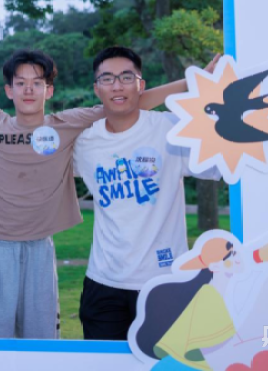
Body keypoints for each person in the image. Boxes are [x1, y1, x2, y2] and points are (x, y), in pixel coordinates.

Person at [0, 47, 203, 339]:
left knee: (41, 342)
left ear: (49, 90)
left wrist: (192, 81)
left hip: (40, 247)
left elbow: (129, 102)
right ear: (8, 90)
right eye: (20, 83)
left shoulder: (67, 124)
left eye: (37, 83)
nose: (29, 90)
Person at [72, 46, 222, 341]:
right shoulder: (84, 143)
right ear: (96, 88)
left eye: (126, 77)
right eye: (107, 78)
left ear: (141, 85)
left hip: (167, 282)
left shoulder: (171, 129)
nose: (117, 86)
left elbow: (223, 164)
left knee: (167, 361)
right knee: (104, 362)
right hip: (104, 285)